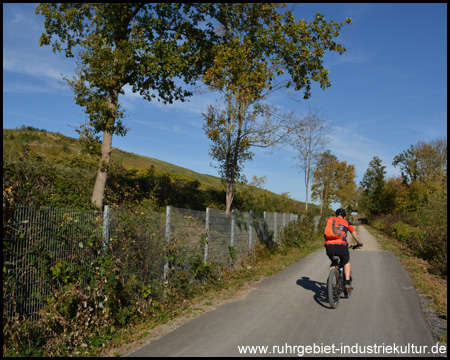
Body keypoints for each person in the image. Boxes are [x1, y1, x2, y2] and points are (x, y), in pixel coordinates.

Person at [325, 208, 362, 290]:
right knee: (346, 262)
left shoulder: (330, 221)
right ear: (344, 216)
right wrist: (359, 243)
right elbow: (354, 234)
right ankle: (347, 283)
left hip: (329, 246)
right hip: (341, 245)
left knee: (334, 262)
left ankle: (329, 281)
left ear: (336, 215)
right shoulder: (347, 222)